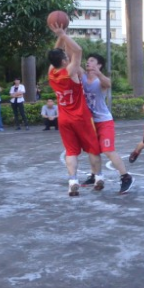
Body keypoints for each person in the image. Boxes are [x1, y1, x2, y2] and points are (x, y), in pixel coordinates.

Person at [47, 24, 103, 197]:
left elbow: (56, 52)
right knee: (93, 149)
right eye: (65, 56)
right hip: (81, 116)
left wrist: (60, 36)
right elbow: (78, 51)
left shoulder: (51, 72)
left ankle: (72, 181)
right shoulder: (69, 71)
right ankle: (99, 177)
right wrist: (63, 34)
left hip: (64, 118)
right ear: (64, 61)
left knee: (71, 151)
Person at [80, 53, 135, 194]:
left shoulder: (100, 80)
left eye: (92, 61)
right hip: (89, 122)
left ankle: (126, 177)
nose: (88, 62)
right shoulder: (83, 76)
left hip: (104, 121)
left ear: (99, 65)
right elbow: (72, 62)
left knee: (108, 150)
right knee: (92, 150)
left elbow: (108, 84)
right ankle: (94, 175)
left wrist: (97, 72)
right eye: (87, 60)